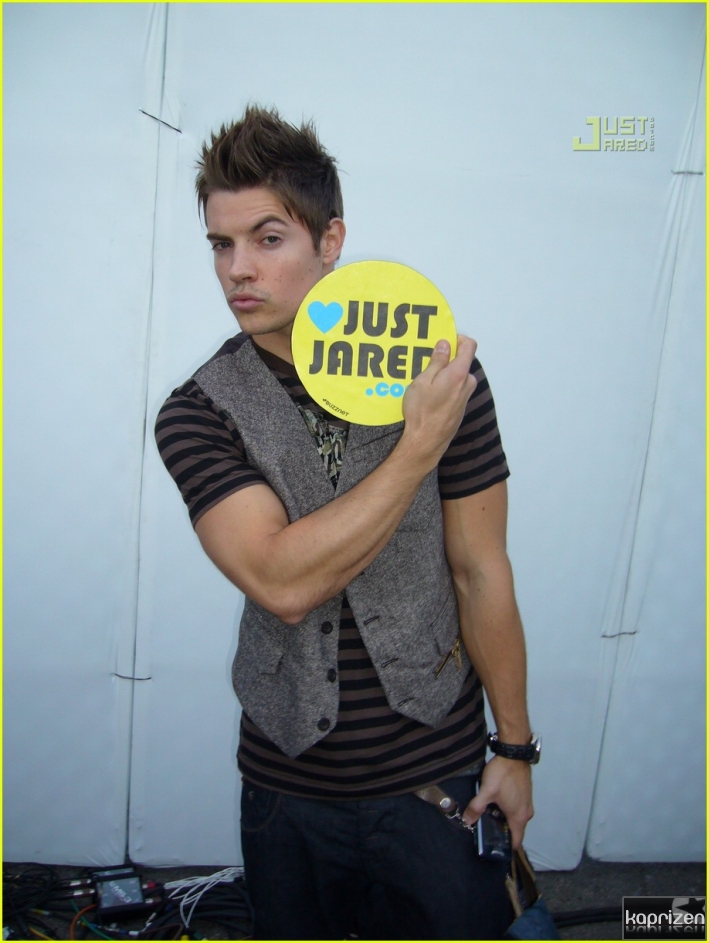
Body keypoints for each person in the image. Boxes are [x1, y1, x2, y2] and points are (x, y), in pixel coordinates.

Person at [155, 105, 537, 940]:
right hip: (288, 783)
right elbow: (281, 580)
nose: (237, 269)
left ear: (330, 240)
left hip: (434, 771)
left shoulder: (442, 380)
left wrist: (513, 750)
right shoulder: (196, 412)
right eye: (220, 244)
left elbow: (480, 568)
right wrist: (414, 449)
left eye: (267, 238)